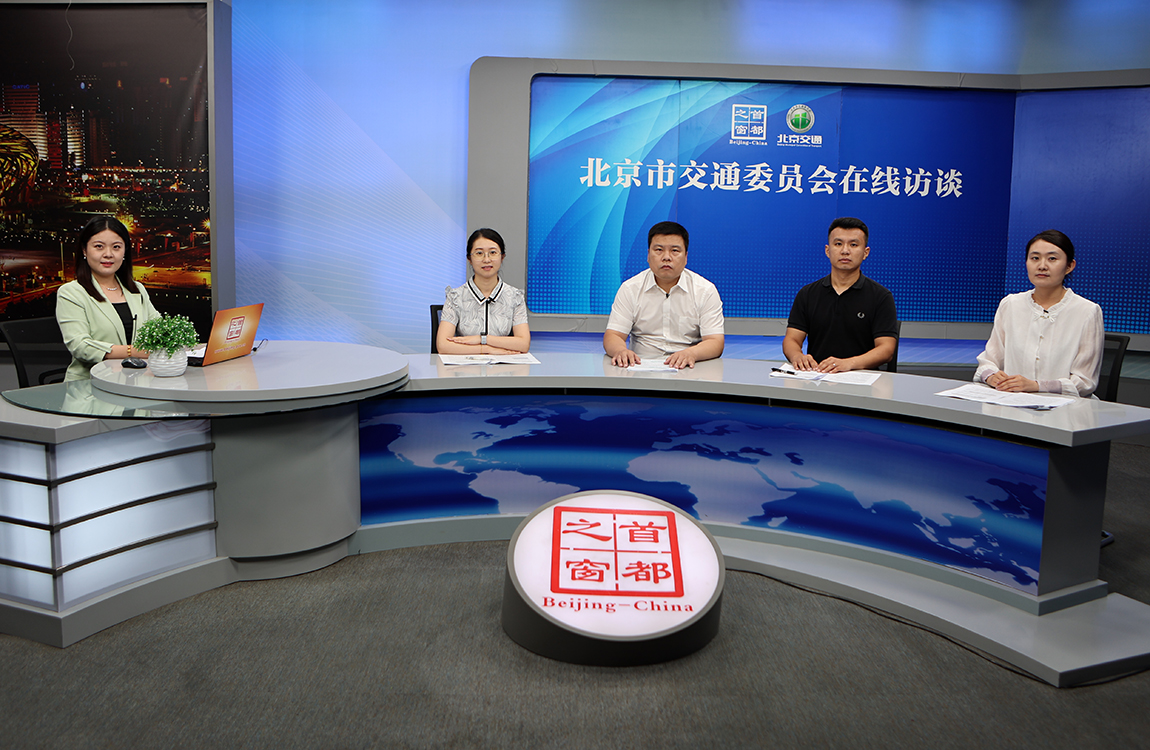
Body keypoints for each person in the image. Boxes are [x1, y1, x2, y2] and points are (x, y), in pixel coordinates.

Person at [975, 230, 1103, 397]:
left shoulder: (1087, 311)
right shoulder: (1011, 304)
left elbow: (1084, 381)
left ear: (1069, 266)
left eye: (1052, 259)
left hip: (1064, 408)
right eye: (1035, 258)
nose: (1042, 266)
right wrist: (991, 376)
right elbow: (989, 360)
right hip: (1011, 403)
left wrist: (1036, 386)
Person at [603, 221, 725, 369]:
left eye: (675, 251)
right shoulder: (630, 289)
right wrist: (620, 351)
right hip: (640, 367)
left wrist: (691, 354)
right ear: (648, 255)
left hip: (689, 367)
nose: (666, 257)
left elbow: (715, 341)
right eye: (659, 250)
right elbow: (614, 335)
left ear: (686, 257)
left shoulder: (705, 291)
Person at [783, 217, 898, 373]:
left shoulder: (881, 296)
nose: (845, 250)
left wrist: (848, 363)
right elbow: (791, 339)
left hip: (861, 378)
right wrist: (797, 356)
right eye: (838, 244)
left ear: (865, 253)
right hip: (817, 377)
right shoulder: (808, 294)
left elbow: (886, 349)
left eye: (853, 245)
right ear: (827, 250)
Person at [56, 216, 161, 381]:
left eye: (116, 247)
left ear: (125, 251)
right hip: (90, 386)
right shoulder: (71, 292)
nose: (108, 254)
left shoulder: (137, 290)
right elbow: (80, 346)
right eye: (99, 246)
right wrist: (133, 351)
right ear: (84, 250)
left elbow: (160, 331)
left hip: (139, 382)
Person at [437, 228, 530, 355]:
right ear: (469, 258)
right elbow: (443, 345)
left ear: (502, 257)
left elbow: (523, 344)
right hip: (466, 365)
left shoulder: (515, 297)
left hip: (504, 365)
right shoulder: (455, 297)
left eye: (493, 252)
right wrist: (486, 349)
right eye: (479, 253)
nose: (486, 259)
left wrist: (482, 339)